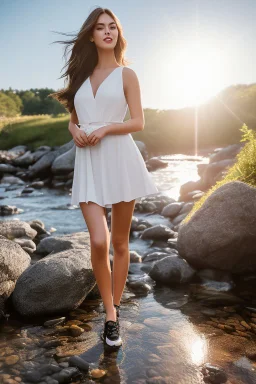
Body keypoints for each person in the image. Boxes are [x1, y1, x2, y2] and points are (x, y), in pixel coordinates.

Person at [49, 7, 158, 347]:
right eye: (100, 27)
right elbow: (74, 117)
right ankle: (110, 307)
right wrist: (73, 130)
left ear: (117, 34)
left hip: (120, 157)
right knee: (99, 240)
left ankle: (112, 315)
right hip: (88, 162)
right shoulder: (80, 75)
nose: (107, 32)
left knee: (121, 243)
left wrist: (109, 127)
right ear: (91, 35)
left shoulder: (128, 75)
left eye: (113, 27)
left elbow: (138, 122)